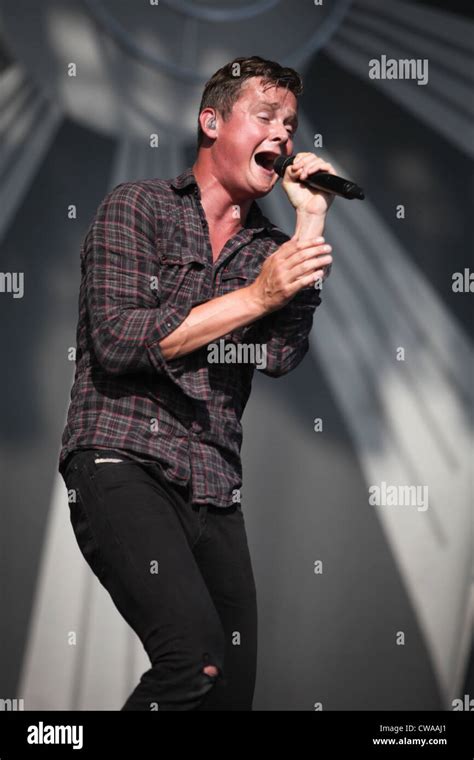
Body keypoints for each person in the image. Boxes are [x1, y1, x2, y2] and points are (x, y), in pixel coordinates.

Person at [59, 55, 335, 711]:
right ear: (211, 121)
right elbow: (122, 339)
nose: (283, 135)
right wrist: (254, 297)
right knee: (193, 663)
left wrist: (313, 223)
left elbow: (280, 355)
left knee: (228, 697)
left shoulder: (269, 248)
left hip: (212, 480)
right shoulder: (139, 206)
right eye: (265, 116)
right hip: (120, 458)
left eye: (290, 125)